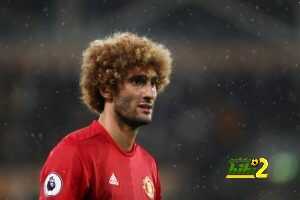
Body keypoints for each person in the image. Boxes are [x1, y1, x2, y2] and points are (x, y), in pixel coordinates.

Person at [39, 32, 173, 200]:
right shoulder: (74, 153)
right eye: (138, 81)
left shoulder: (148, 165)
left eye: (153, 83)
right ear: (106, 89)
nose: (150, 93)